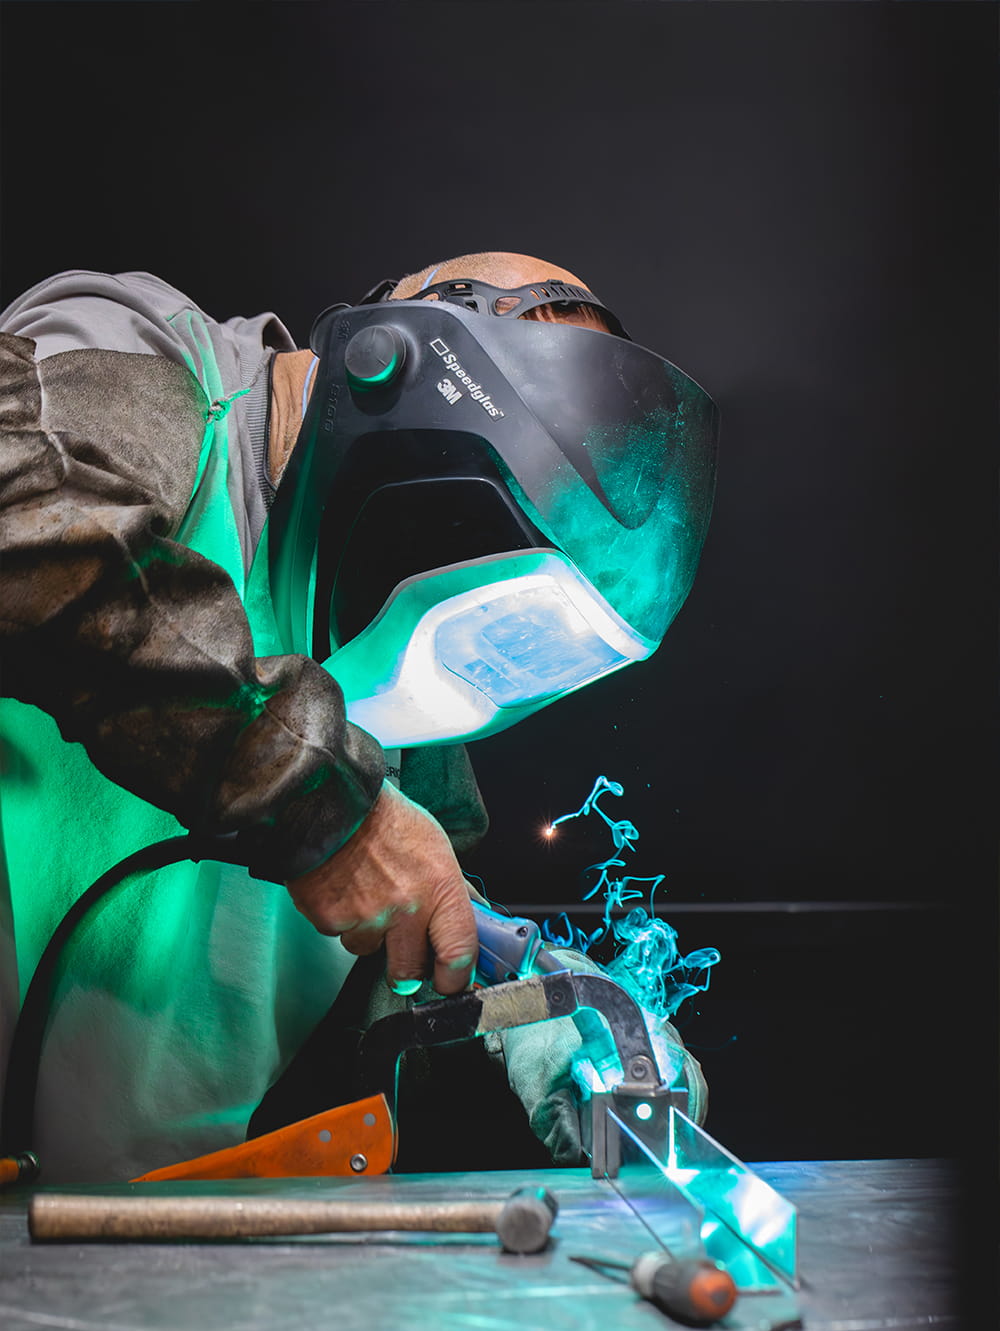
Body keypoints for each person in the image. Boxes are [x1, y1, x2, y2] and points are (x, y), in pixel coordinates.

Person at [0, 252, 715, 1181]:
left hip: (145, 1231)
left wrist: (532, 1008)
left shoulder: (392, 695)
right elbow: (21, 519)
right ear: (398, 375)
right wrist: (325, 808)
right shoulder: (143, 359)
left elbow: (380, 919)